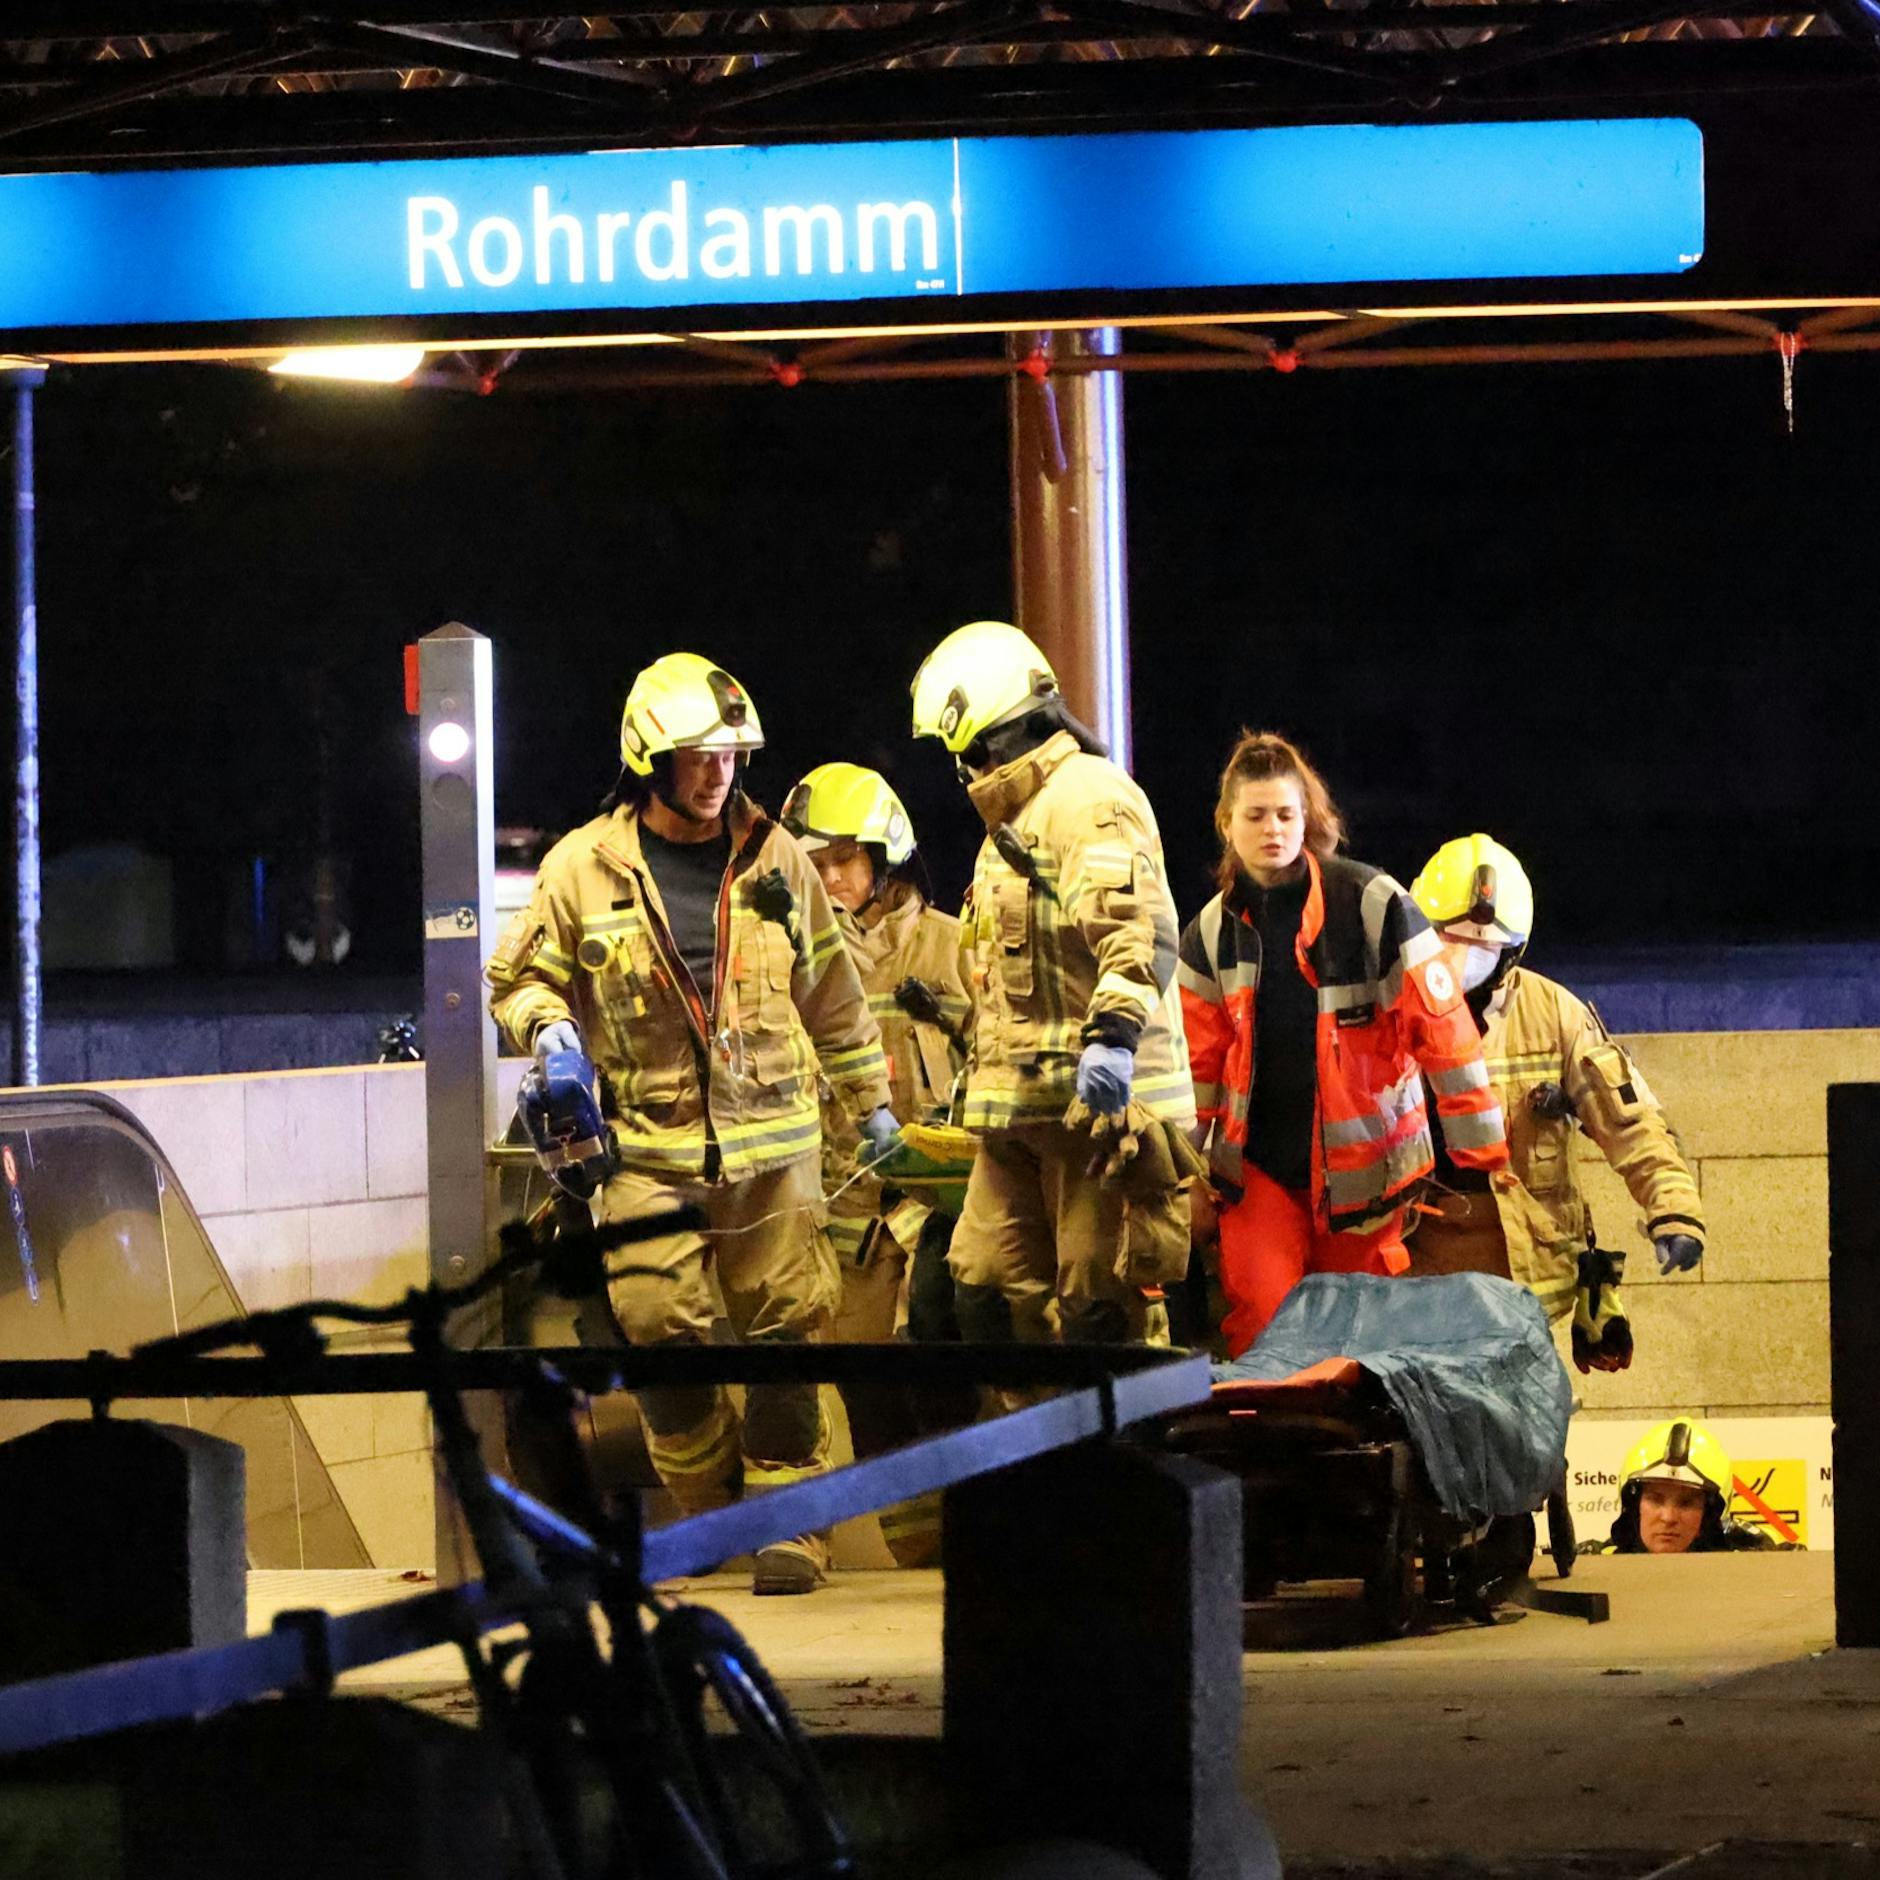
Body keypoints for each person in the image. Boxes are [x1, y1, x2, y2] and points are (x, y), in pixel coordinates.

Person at [488, 652, 898, 1595]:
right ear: (650, 760)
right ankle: (710, 1507)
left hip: (774, 1146)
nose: (718, 772)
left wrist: (872, 1105)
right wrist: (549, 1029)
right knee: (656, 1325)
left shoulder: (777, 858)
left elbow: (832, 994)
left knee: (786, 1330)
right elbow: (519, 979)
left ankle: (790, 1531)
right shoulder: (581, 868)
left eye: (730, 755)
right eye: (698, 755)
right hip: (643, 1151)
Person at [909, 620, 1197, 1351]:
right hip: (1020, 1108)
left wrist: (1114, 1039)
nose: (962, 768)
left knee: (1100, 1313)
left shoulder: (1086, 799)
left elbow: (1136, 931)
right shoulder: (1015, 817)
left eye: (965, 750)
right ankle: (1033, 1432)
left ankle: (1122, 1432)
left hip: (1103, 1117)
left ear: (991, 731)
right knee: (986, 1294)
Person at [1179, 732, 1509, 1359]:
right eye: (1256, 816)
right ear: (1227, 823)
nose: (1273, 830)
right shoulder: (1210, 932)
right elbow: (1195, 1069)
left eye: (1286, 814)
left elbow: (1443, 1029)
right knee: (1263, 1332)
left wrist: (1480, 1154)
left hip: (1365, 1178)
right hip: (1257, 1174)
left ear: (1307, 817)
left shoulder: (1371, 902)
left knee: (1358, 1343)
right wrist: (1183, 1177)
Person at [1406, 834, 1705, 1374]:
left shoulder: (1553, 1014)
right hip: (1417, 1281)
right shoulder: (1386, 1011)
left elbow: (1631, 1122)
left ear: (1511, 951)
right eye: (1447, 937)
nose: (1460, 958)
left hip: (1524, 1279)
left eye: (1480, 946)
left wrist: (1674, 1210)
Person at [781, 761, 974, 1566]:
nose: (831, 879)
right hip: (847, 1212)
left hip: (944, 1202)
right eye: (815, 864)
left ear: (884, 858)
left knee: (954, 1369)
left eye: (845, 860)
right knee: (868, 1385)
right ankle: (920, 1556)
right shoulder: (791, 963)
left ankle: (976, 1536)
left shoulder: (953, 946)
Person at [1586, 1418, 1778, 1553]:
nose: (1668, 1517)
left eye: (1686, 1503)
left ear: (1709, 1515)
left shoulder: (1757, 1565)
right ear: (1635, 1507)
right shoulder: (1593, 1567)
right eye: (1655, 1500)